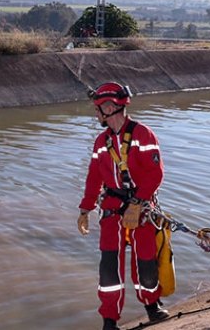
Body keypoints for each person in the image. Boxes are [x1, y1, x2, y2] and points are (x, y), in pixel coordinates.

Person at [77, 82, 169, 330]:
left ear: (110, 107)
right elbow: (94, 177)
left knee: (146, 258)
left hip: (142, 207)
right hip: (111, 206)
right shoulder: (101, 142)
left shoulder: (143, 134)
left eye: (98, 109)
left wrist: (138, 203)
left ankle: (152, 306)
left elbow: (155, 174)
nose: (96, 114)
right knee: (109, 263)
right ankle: (109, 320)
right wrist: (85, 209)